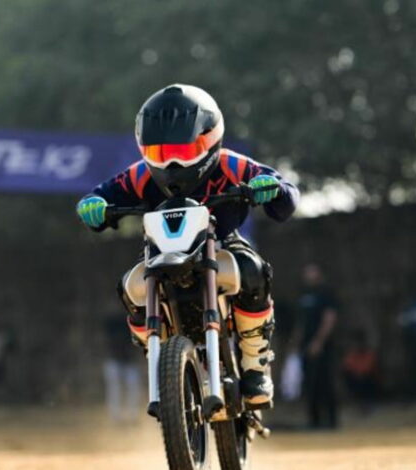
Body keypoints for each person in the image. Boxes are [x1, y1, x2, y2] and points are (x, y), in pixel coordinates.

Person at [76, 84, 299, 406]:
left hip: (222, 244)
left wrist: (274, 189)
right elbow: (99, 195)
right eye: (159, 154)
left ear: (211, 139)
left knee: (252, 271)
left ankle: (255, 364)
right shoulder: (139, 175)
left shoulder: (232, 165)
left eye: (183, 151)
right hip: (160, 252)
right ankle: (158, 357)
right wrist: (92, 205)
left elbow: (286, 194)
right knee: (131, 288)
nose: (171, 164)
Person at [295, 263, 339, 429]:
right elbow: (301, 322)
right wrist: (297, 342)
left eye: (312, 272)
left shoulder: (326, 294)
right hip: (306, 346)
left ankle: (331, 420)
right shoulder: (304, 295)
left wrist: (318, 342)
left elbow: (329, 319)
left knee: (325, 382)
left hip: (323, 346)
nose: (308, 275)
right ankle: (314, 421)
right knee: (310, 383)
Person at [103, 315, 142, 424]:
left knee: (133, 388)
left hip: (129, 361)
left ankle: (133, 416)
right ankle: (115, 417)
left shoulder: (134, 319)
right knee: (115, 390)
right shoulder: (110, 323)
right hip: (114, 360)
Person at [342, 330, 379, 415]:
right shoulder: (352, 354)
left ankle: (368, 404)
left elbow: (370, 367)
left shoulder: (369, 353)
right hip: (355, 379)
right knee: (351, 379)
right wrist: (357, 373)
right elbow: (346, 366)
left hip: (367, 379)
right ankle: (359, 404)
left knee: (369, 380)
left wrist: (362, 373)